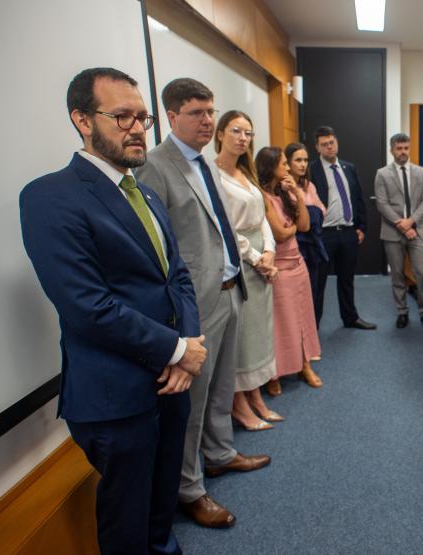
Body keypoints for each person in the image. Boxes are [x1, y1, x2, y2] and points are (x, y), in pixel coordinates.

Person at [20, 67, 206, 554]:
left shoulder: (142, 190)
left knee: (161, 515)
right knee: (126, 529)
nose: (137, 127)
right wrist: (177, 349)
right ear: (82, 119)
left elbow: (177, 276)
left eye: (141, 117)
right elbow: (87, 306)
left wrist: (187, 349)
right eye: (121, 116)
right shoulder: (49, 196)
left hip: (172, 384)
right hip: (116, 395)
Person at [135, 78, 269, 529]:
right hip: (195, 303)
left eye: (210, 112)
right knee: (190, 401)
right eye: (196, 113)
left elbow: (219, 227)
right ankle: (189, 489)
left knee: (220, 388)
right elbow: (159, 248)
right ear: (171, 116)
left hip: (230, 290)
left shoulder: (204, 163)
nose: (207, 121)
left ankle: (220, 454)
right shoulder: (155, 165)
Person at [213, 110, 283, 430]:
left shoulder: (247, 171)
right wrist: (256, 258)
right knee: (240, 337)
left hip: (261, 258)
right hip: (237, 259)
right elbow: (226, 228)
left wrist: (270, 251)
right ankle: (239, 404)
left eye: (248, 133)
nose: (243, 138)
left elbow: (263, 217)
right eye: (236, 131)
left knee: (258, 334)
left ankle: (256, 397)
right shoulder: (212, 175)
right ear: (220, 134)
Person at [256, 146, 324, 395]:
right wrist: (292, 226)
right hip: (279, 268)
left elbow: (304, 225)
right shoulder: (262, 196)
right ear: (270, 166)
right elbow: (280, 233)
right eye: (283, 164)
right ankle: (274, 374)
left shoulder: (286, 193)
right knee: (281, 323)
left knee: (303, 318)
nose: (287, 168)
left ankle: (304, 365)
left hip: (298, 264)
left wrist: (295, 191)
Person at [309, 125, 376, 330]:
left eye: (332, 143)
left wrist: (362, 227)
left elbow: (357, 198)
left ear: (336, 143)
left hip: (348, 233)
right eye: (324, 145)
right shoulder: (312, 169)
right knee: (318, 284)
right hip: (324, 235)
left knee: (346, 279)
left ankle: (350, 318)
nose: (329, 147)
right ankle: (314, 326)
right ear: (317, 148)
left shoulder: (349, 167)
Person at [374, 133, 423, 329]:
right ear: (391, 150)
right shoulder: (382, 174)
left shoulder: (421, 172)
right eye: (399, 148)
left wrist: (410, 222)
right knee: (398, 274)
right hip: (393, 233)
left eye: (406, 148)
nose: (403, 152)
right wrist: (401, 224)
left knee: (422, 272)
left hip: (417, 230)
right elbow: (382, 204)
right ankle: (402, 312)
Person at [285, 142, 329, 310]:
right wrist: (311, 213)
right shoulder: (283, 188)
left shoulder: (309, 185)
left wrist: (307, 213)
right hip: (295, 246)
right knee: (299, 295)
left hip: (314, 244)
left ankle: (313, 333)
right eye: (298, 160)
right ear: (288, 162)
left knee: (315, 290)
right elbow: (290, 218)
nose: (303, 164)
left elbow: (322, 211)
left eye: (305, 160)